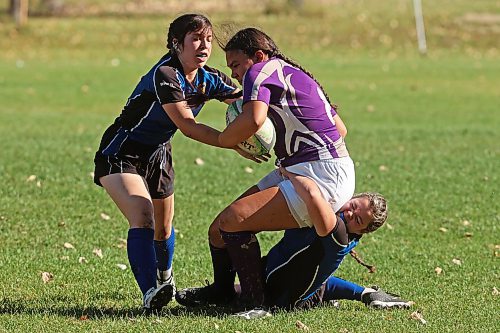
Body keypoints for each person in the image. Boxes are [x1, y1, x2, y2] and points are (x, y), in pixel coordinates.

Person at [175, 27, 356, 315]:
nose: (235, 74)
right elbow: (340, 129)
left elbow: (254, 120)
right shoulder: (297, 74)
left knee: (234, 221)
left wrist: (226, 140)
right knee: (218, 230)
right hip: (317, 168)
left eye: (235, 65)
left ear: (257, 56)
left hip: (319, 175)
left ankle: (255, 302)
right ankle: (222, 292)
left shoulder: (259, 72)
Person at [93, 14, 251, 312]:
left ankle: (165, 279)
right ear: (177, 44)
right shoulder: (165, 74)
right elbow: (188, 126)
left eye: (207, 39)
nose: (204, 46)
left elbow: (246, 100)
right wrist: (231, 142)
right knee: (143, 215)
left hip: (159, 153)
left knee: (163, 229)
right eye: (196, 39)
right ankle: (150, 293)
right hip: (121, 150)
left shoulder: (209, 77)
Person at [177, 172, 411, 319]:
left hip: (280, 298)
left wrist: (292, 169)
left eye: (357, 220)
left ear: (361, 232)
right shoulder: (329, 214)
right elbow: (320, 283)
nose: (349, 213)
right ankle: (367, 293)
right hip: (276, 276)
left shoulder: (339, 235)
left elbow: (310, 192)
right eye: (353, 205)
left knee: (246, 293)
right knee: (315, 287)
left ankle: (242, 298)